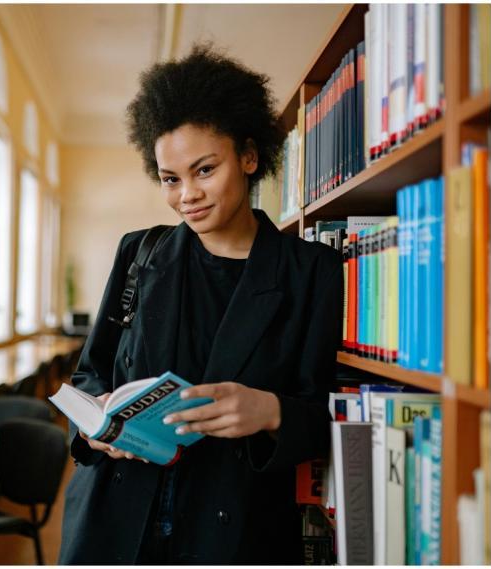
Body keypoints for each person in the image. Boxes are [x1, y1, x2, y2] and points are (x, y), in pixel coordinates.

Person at [58, 44, 343, 564]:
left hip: (233, 530)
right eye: (171, 178)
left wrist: (270, 411)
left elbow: (325, 414)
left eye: (205, 170)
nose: (187, 194)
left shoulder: (312, 271)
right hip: (117, 522)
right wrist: (97, 426)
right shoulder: (139, 252)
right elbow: (90, 375)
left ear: (250, 158)